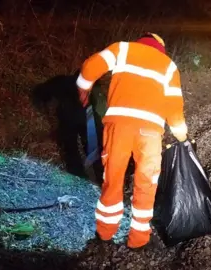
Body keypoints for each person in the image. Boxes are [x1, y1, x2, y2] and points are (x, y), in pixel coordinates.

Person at [76, 32, 188, 248]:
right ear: (160, 47)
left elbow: (90, 68)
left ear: (142, 41)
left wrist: (84, 87)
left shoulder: (123, 49)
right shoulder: (169, 66)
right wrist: (181, 135)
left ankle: (105, 233)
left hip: (119, 127)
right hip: (150, 132)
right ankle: (139, 239)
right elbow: (174, 106)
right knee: (146, 183)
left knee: (113, 178)